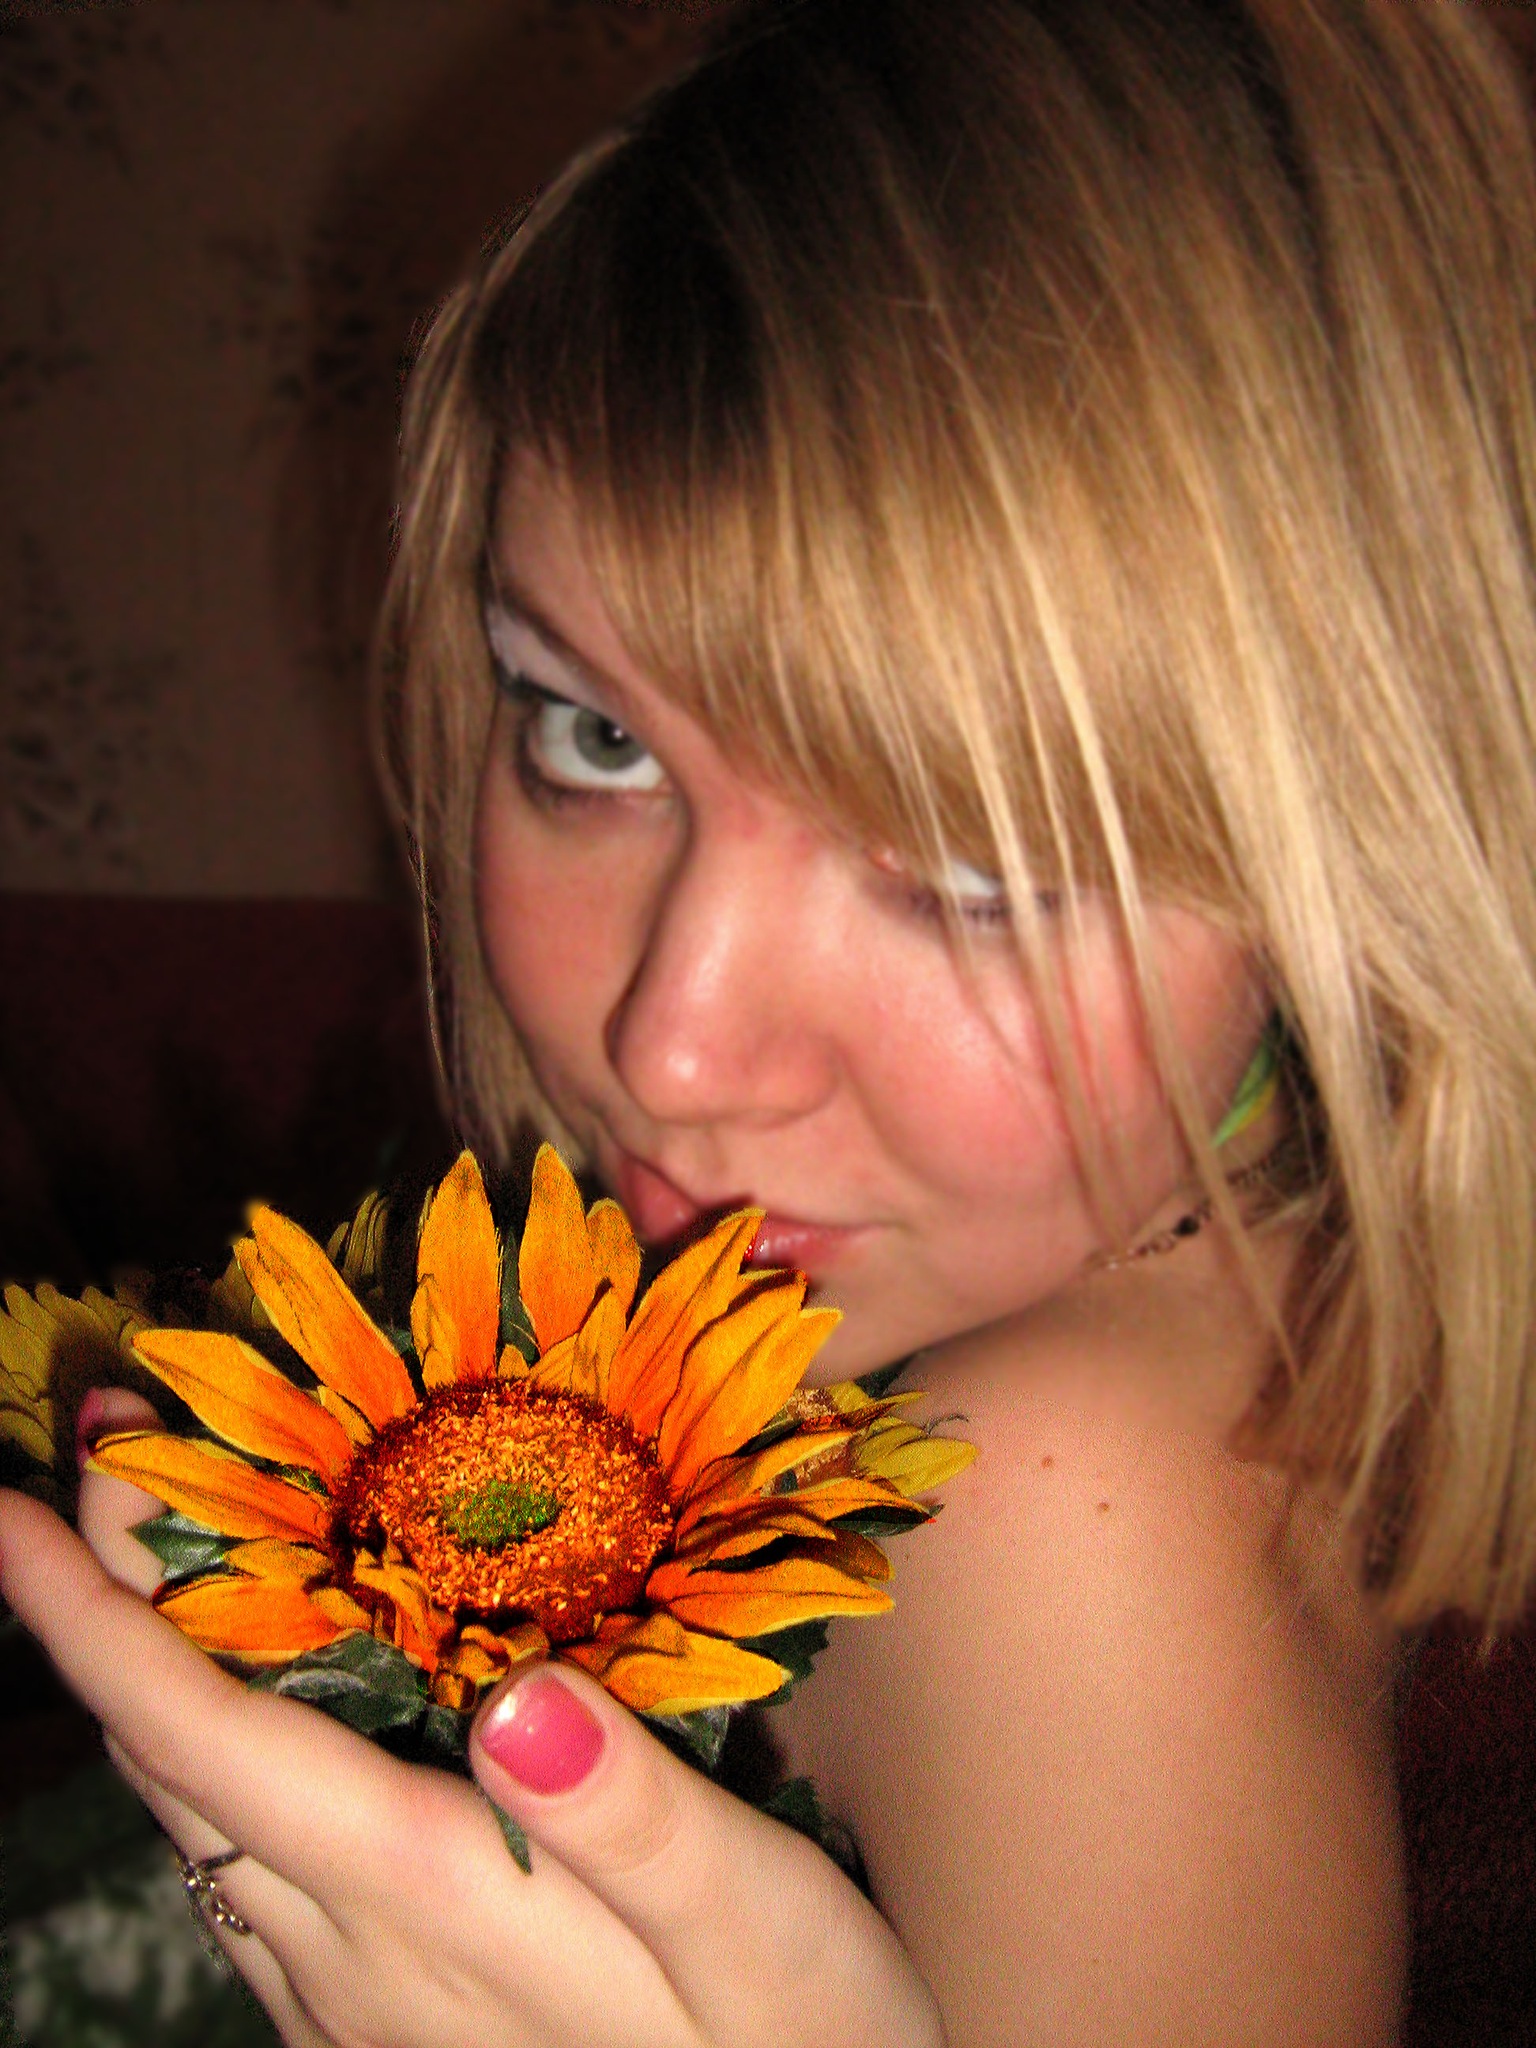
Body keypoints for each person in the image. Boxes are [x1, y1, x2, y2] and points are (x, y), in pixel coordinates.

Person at [5, 0, 1536, 2040]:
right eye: (592, 735)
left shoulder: (1057, 1516)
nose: (673, 1046)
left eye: (974, 861)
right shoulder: (1240, 1277)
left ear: (1363, 831)